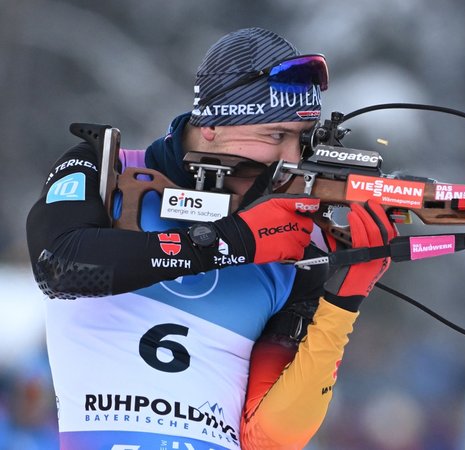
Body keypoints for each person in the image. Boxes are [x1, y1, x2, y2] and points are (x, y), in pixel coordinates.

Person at [26, 27, 396, 450]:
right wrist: (228, 242)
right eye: (275, 136)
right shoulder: (106, 169)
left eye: (301, 140)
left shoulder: (295, 243)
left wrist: (341, 305)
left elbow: (270, 438)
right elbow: (59, 265)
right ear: (212, 125)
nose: (290, 160)